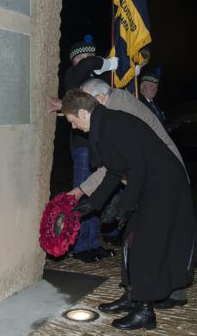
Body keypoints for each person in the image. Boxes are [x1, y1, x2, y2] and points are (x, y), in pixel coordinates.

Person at [63, 90, 197, 331]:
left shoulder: (115, 123)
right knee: (130, 241)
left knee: (145, 245)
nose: (74, 127)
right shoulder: (105, 126)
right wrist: (89, 206)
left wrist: (125, 206)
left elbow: (138, 166)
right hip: (150, 183)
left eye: (72, 121)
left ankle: (145, 311)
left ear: (82, 113)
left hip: (165, 185)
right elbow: (113, 171)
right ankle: (132, 295)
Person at [47, 35, 118, 262]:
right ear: (74, 61)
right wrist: (106, 61)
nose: (88, 61)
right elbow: (88, 66)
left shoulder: (98, 78)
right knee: (82, 191)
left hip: (101, 144)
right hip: (83, 144)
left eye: (91, 55)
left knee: (98, 193)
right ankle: (79, 244)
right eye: (83, 57)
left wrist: (123, 65)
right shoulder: (73, 76)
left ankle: (93, 242)